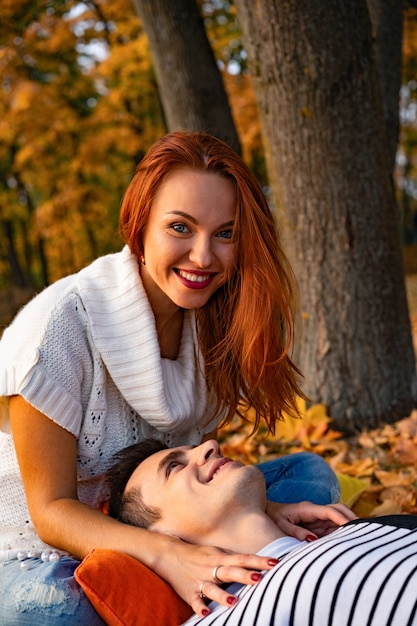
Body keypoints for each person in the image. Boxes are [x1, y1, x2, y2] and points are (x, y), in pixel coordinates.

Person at [0, 131, 344, 625]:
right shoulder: (57, 330)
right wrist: (166, 555)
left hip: (160, 517)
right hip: (48, 549)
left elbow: (199, 469)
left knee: (311, 478)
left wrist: (263, 505)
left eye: (224, 234)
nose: (203, 257)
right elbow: (51, 512)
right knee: (52, 612)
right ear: (139, 228)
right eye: (180, 227)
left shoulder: (215, 321)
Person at [106, 438, 417, 625]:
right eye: (174, 467)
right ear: (162, 535)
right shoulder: (227, 616)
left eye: (195, 447)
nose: (210, 446)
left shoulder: (353, 527)